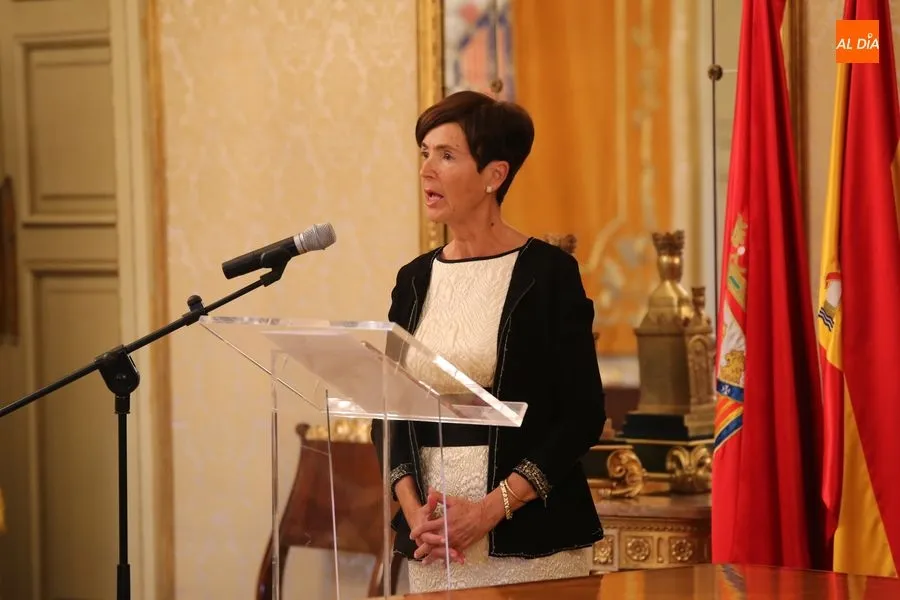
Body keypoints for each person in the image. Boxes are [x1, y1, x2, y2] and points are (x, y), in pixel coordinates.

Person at [370, 90, 606, 593]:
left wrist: (488, 510)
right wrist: (415, 515)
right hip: (434, 543)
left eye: (446, 155)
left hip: (531, 539)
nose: (426, 170)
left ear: (494, 175)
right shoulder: (413, 281)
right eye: (424, 153)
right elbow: (387, 411)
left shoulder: (549, 275)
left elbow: (582, 415)